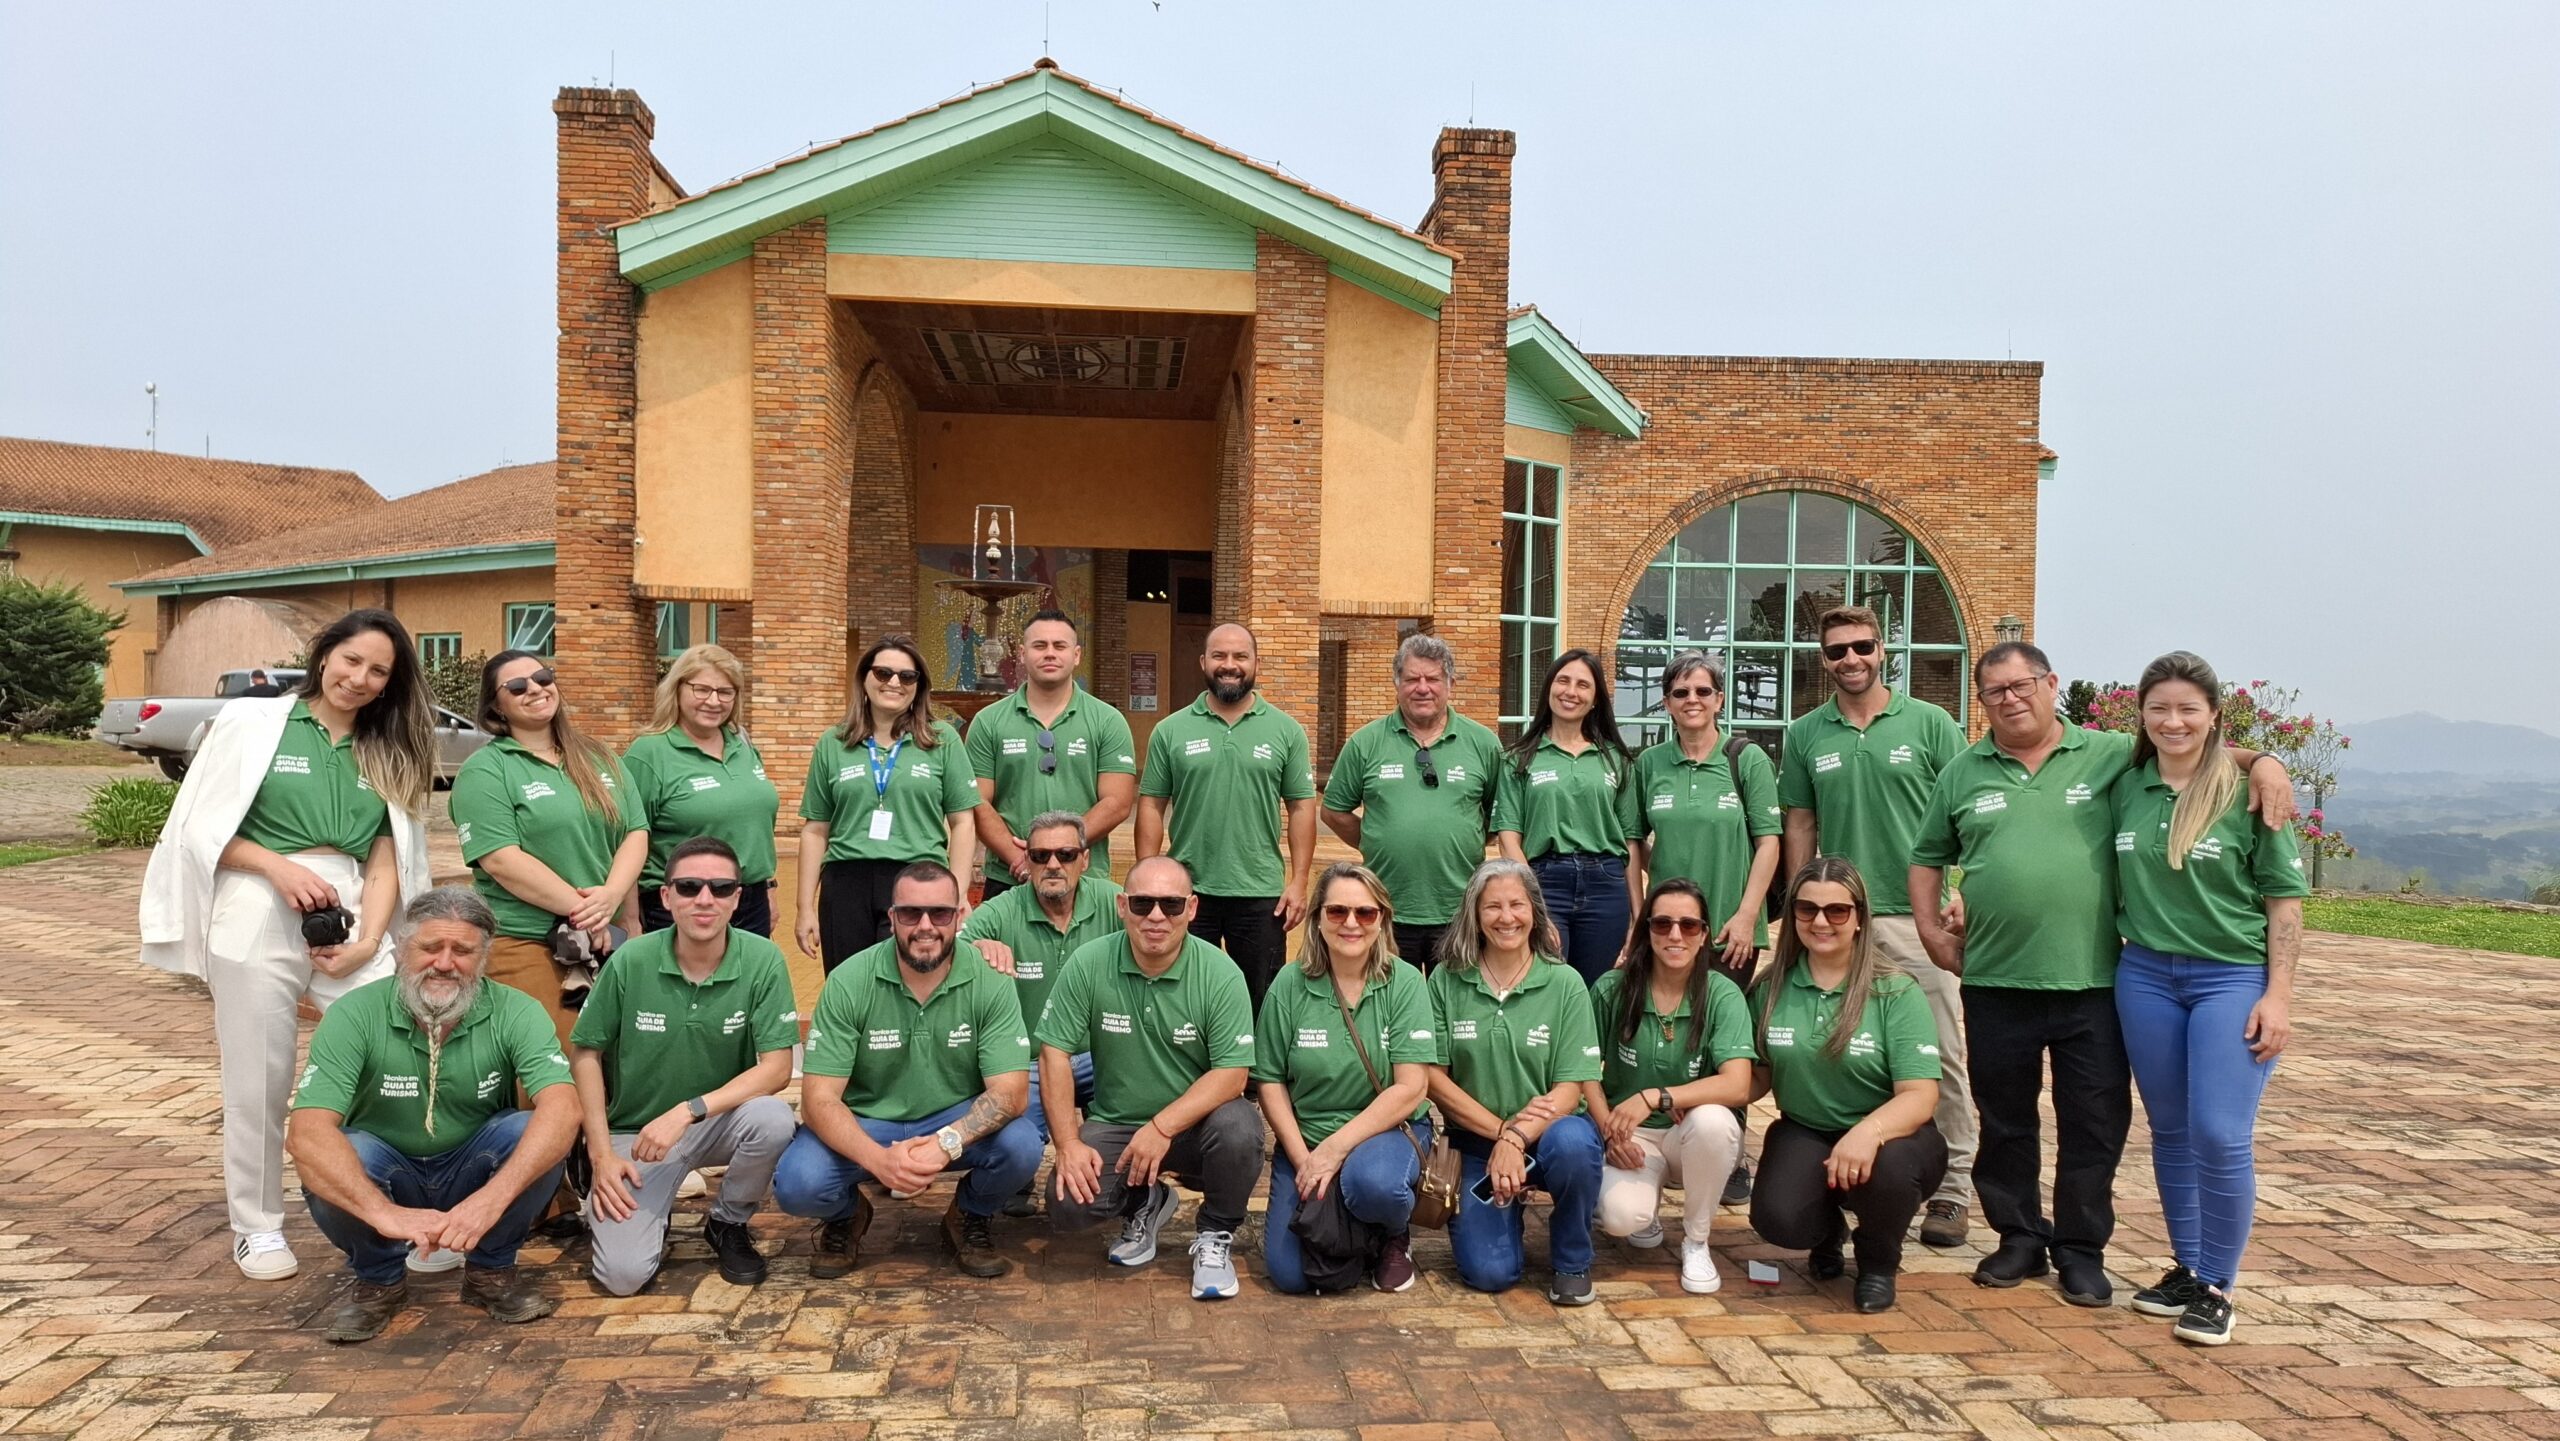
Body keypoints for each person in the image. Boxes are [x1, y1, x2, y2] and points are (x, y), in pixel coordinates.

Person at [1910, 641, 2292, 1307]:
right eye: (1995, 690)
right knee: (2005, 1119)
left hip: (2096, 979)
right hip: (1996, 975)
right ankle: (2019, 1236)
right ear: (1982, 699)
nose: (2011, 698)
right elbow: (1927, 854)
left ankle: (2081, 1248)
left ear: (2050, 683)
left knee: (2094, 1122)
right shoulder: (1963, 770)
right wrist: (1930, 931)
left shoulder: (2111, 753)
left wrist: (2266, 762)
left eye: (2023, 684)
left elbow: (2192, 750)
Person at [140, 607, 437, 1281]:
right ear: (324, 654)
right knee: (260, 1077)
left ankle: (410, 1212)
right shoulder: (252, 723)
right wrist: (278, 868)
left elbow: (388, 855)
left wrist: (369, 939)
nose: (359, 678)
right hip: (255, 901)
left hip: (353, 907)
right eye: (351, 660)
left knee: (407, 1054)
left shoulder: (388, 747)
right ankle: (257, 1226)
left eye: (379, 671)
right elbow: (200, 827)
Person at [2109, 652, 2308, 1347]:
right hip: (2144, 974)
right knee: (2169, 1130)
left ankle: (2220, 1286)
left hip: (2230, 977)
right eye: (2159, 708)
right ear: (2141, 715)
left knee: (2220, 1132)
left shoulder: (2247, 791)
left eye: (2188, 708)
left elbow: (2285, 903)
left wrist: (2278, 996)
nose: (2174, 721)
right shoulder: (2125, 783)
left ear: (2214, 715)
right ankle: (2189, 1268)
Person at [284, 887, 579, 1342]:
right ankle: (378, 1280)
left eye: (463, 951)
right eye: (430, 947)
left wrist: (491, 1199)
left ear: (484, 957)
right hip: (387, 1171)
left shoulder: (517, 1010)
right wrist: (383, 1213)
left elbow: (563, 1108)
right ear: (403, 948)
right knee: (335, 1152)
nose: (444, 963)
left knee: (529, 1132)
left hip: (471, 1165)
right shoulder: (353, 1014)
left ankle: (490, 1272)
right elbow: (306, 1134)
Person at [1776, 605, 1977, 1247]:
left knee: (1938, 1053)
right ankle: (1843, 1179)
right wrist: (1802, 909)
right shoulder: (1807, 733)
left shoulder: (1930, 723)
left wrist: (1964, 892)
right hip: (1838, 921)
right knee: (1833, 1049)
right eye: (1837, 650)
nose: (1851, 659)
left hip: (1917, 920)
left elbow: (1969, 813)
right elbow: (1800, 825)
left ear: (1882, 649)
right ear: (1824, 659)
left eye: (1862, 646)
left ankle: (1952, 1191)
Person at [773, 862, 1041, 1279]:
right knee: (797, 1184)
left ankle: (969, 1214)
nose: (926, 926)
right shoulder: (849, 980)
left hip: (951, 1118)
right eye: (911, 913)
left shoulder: (991, 980)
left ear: (960, 915)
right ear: (892, 916)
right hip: (869, 1121)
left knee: (1022, 1146)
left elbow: (1011, 1093)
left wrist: (946, 1143)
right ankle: (847, 1214)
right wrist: (880, 1162)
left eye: (940, 913)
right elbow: (818, 1100)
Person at [568, 837, 799, 1295]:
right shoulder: (631, 960)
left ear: (737, 898)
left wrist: (688, 1110)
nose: (705, 899)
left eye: (720, 888)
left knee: (773, 1118)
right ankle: (651, 1210)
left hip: (713, 1122)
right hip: (636, 1136)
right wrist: (601, 1155)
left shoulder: (763, 959)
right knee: (622, 1278)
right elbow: (585, 1053)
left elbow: (777, 1069)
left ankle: (728, 1222)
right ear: (666, 896)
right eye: (689, 887)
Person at [1038, 855, 1263, 1301]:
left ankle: (1215, 1233)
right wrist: (1067, 1143)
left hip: (1197, 1128)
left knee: (1239, 1129)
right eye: (1142, 904)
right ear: (1122, 906)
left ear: (1192, 909)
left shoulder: (1220, 974)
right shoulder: (1089, 962)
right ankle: (1146, 1201)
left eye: (1171, 904)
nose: (1156, 916)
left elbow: (1233, 1074)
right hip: (1119, 1123)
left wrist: (1161, 1127)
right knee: (1068, 1205)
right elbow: (1053, 1053)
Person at [1747, 858, 1948, 1314]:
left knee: (1891, 1171)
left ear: (1859, 917)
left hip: (1894, 1136)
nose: (1821, 922)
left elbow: (1921, 1094)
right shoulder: (1770, 989)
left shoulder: (1895, 991)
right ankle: (1828, 1231)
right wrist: (1697, 1097)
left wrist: (1867, 1133)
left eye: (1837, 910)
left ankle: (1878, 1263)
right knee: (1778, 1219)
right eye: (1807, 909)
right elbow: (1757, 1077)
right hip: (1807, 1129)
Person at [1625, 650, 1780, 1205]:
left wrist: (1746, 914)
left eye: (1702, 691)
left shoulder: (1746, 760)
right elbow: (1632, 845)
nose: (1692, 700)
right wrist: (1639, 918)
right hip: (1669, 932)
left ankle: (1731, 1155)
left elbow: (1769, 842)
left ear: (1719, 699)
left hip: (1729, 935)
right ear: (1667, 702)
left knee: (1726, 1046)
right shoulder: (1650, 764)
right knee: (1669, 1034)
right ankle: (1664, 1140)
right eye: (1680, 692)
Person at [1426, 858, 1606, 1305]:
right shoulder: (1447, 980)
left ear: (1535, 912)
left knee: (1574, 1146)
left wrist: (1517, 1136)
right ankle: (1506, 1214)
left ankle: (1572, 1260)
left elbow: (1571, 1088)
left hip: (1550, 1136)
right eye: (1492, 907)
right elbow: (1433, 1079)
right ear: (1474, 915)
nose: (1506, 917)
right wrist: (1501, 1132)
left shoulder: (1565, 983)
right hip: (1476, 1142)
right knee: (1489, 1274)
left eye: (1517, 905)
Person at [448, 650, 649, 1047]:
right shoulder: (486, 770)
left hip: (607, 935)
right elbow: (501, 859)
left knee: (622, 1052)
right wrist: (589, 913)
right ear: (496, 706)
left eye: (542, 677)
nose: (535, 689)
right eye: (517, 686)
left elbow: (634, 833)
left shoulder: (598, 757)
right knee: (561, 1055)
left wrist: (618, 906)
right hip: (529, 940)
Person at [1253, 863, 1437, 1294]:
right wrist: (1303, 1159)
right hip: (1308, 1139)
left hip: (1385, 1133)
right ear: (1318, 918)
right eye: (1337, 911)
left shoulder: (1405, 982)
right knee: (1290, 1276)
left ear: (1382, 919)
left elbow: (1411, 1087)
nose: (1351, 923)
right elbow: (1270, 1080)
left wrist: (1334, 1151)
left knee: (1375, 1186)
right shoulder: (1290, 983)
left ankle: (1392, 1233)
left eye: (1365, 913)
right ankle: (1356, 1237)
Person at [1588, 878, 1757, 1295]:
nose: (1675, 935)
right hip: (1632, 1138)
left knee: (1714, 1121)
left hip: (1689, 1134)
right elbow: (1582, 1071)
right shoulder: (1612, 988)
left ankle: (1697, 1241)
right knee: (1621, 1217)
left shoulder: (1722, 994)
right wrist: (1608, 1131)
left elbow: (1738, 1084)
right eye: (1662, 924)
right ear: (1646, 930)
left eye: (1689, 925)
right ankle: (1645, 1209)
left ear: (1704, 935)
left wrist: (1658, 1097)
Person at [1135, 622, 1316, 1009]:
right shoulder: (1171, 730)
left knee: (1261, 999)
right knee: (1184, 995)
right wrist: (1148, 878)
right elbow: (1151, 804)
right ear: (1203, 662)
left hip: (1260, 893)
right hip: (1187, 891)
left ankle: (1257, 1054)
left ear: (1256, 664)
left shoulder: (1286, 731)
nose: (1229, 665)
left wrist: (1300, 881)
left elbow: (1301, 807)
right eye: (1219, 655)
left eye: (1240, 656)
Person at [956, 810, 1124, 1214]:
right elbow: (950, 952)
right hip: (1029, 1062)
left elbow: (1163, 934)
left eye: (1066, 854)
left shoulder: (1113, 902)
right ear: (1026, 861)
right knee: (1015, 1142)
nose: (1053, 864)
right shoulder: (1003, 910)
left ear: (1085, 859)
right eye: (1040, 855)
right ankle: (1005, 1187)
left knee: (1139, 1104)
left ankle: (1127, 1189)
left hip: (1101, 1057)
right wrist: (978, 947)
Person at [1320, 634, 1503, 970]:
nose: (1422, 688)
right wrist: (1376, 839)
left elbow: (1499, 816)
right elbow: (1333, 811)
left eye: (1433, 679)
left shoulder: (1483, 744)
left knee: (1456, 999)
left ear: (1450, 684)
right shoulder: (1365, 743)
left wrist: (1469, 836)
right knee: (1387, 997)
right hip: (1386, 909)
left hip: (1458, 910)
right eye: (1411, 679)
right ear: (1397, 683)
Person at [796, 636, 979, 971]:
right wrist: (804, 907)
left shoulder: (942, 740)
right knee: (848, 982)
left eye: (907, 676)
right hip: (846, 882)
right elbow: (815, 830)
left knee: (910, 981)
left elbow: (963, 822)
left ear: (918, 686)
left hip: (918, 880)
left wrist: (958, 893)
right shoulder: (833, 742)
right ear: (864, 678)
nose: (894, 682)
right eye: (883, 673)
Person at [966, 610, 1137, 903]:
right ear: (1022, 654)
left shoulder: (1108, 721)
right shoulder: (988, 721)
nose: (1050, 653)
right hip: (1008, 877)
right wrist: (1021, 858)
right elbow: (976, 802)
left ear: (1076, 655)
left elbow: (1117, 802)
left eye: (1059, 646)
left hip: (1085, 877)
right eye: (1039, 645)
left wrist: (1056, 852)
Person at [1494, 649, 1640, 983]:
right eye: (1563, 681)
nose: (1570, 692)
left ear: (1596, 700)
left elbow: (1630, 842)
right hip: (1545, 883)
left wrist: (1638, 915)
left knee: (1598, 989)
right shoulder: (1518, 759)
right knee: (1546, 985)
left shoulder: (1617, 760)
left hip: (1606, 886)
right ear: (1549, 688)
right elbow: (1509, 839)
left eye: (1582, 685)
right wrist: (1531, 903)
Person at [622, 645, 780, 936]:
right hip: (685, 902)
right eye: (702, 689)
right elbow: (625, 840)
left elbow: (755, 829)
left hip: (749, 901)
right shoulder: (649, 753)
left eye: (725, 692)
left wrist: (768, 886)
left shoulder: (741, 743)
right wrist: (629, 920)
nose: (714, 701)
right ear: (677, 689)